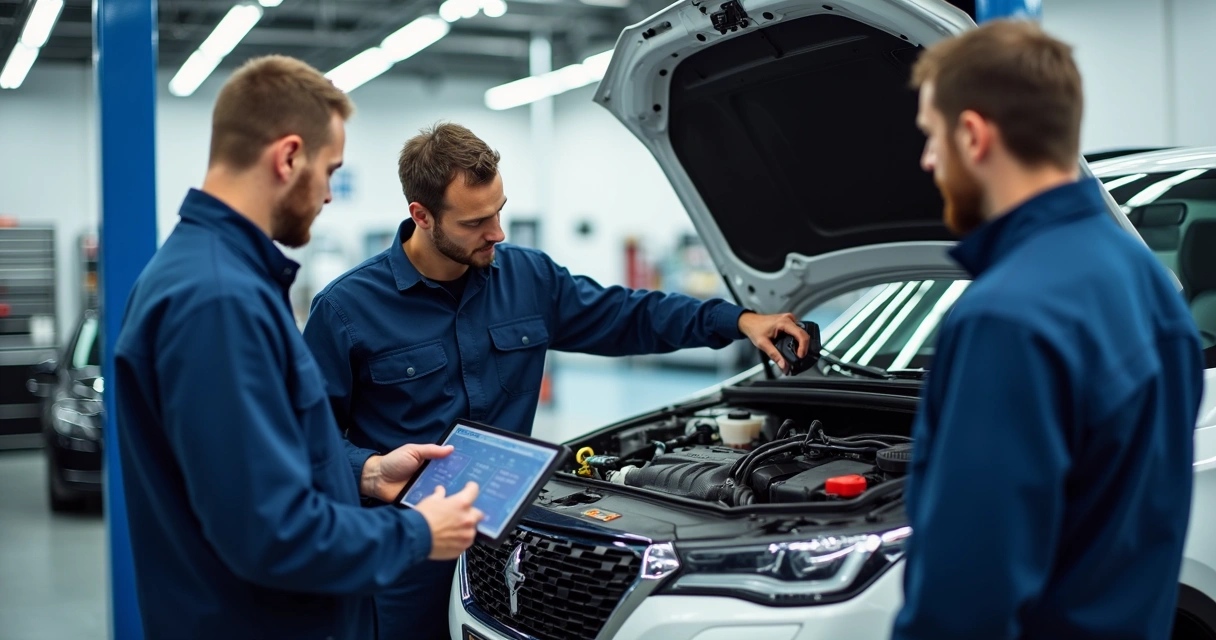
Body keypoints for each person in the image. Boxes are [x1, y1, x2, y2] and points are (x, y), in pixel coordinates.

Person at [301, 122, 812, 639]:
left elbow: (630, 315)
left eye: (500, 210)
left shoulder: (530, 278)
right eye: (477, 221)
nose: (497, 232)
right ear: (422, 216)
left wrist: (739, 321)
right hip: (405, 553)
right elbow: (302, 437)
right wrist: (368, 468)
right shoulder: (346, 309)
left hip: (513, 538)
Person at [113, 56, 485, 639]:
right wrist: (419, 532)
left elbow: (258, 464)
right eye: (329, 170)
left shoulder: (204, 275)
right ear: (288, 157)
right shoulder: (216, 300)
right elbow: (269, 532)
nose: (330, 196)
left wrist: (367, 474)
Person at [893, 19, 1204, 640]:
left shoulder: (1008, 315)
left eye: (930, 136)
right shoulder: (1151, 285)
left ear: (974, 135)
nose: (927, 160)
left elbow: (967, 596)